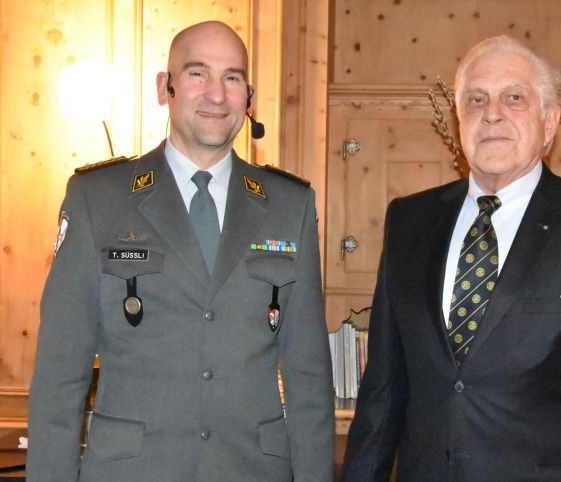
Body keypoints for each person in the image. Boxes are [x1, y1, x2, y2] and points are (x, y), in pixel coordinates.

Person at [341, 35, 561, 481]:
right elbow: (382, 393)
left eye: (513, 98)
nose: (492, 113)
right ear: (459, 122)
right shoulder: (408, 222)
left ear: (550, 122)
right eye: (476, 100)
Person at [27, 21, 334, 481]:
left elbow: (309, 379)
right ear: (164, 88)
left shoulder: (290, 205)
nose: (216, 95)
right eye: (197, 74)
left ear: (249, 98)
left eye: (232, 78)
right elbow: (58, 377)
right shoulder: (99, 198)